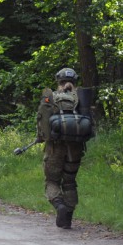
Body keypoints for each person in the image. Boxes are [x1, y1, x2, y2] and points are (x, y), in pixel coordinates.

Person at [35, 68, 89, 229]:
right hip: (76, 148)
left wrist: (40, 137)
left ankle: (60, 206)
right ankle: (67, 219)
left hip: (55, 148)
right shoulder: (81, 97)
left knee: (52, 181)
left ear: (58, 81)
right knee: (70, 182)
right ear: (75, 82)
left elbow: (42, 122)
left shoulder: (51, 97)